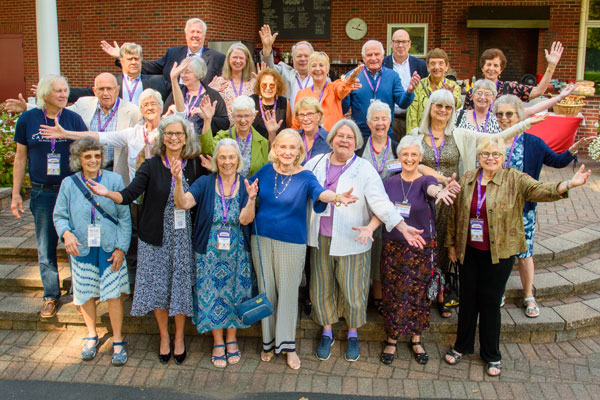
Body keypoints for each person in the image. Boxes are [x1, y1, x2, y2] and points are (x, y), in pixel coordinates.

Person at [445, 136, 591, 376]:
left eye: (495, 154)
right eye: (485, 154)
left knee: (491, 303)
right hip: (468, 251)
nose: (490, 158)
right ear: (478, 157)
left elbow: (540, 190)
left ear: (503, 157)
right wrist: (451, 244)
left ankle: (491, 355)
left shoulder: (515, 178)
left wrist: (568, 184)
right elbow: (455, 213)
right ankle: (461, 347)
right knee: (468, 300)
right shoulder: (469, 178)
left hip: (499, 253)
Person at [86, 114, 207, 365]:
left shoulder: (194, 165)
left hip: (184, 237)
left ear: (186, 138)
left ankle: (180, 337)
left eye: (179, 133)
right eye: (169, 133)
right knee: (160, 287)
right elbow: (130, 194)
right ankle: (164, 336)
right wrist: (108, 193)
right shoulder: (151, 165)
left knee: (181, 287)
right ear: (162, 137)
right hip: (155, 236)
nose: (174, 138)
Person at [305, 119, 427, 363]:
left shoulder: (364, 168)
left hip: (354, 238)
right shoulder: (315, 162)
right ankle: (327, 331)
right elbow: (301, 187)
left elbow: (381, 203)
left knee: (353, 290)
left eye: (350, 137)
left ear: (356, 143)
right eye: (340, 135)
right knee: (322, 286)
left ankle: (352, 334)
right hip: (320, 238)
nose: (344, 140)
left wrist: (401, 226)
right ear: (331, 139)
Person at [247, 129, 358, 370]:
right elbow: (247, 190)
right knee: (267, 292)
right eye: (282, 147)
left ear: (300, 151)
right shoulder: (265, 172)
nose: (287, 152)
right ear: (275, 149)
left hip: (292, 242)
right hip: (261, 239)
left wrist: (337, 197)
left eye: (292, 148)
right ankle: (268, 342)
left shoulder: (306, 176)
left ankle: (287, 346)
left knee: (287, 293)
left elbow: (320, 193)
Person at [493, 94, 595, 317]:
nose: (504, 118)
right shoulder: (492, 140)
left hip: (524, 209)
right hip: (496, 210)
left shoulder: (533, 143)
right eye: (500, 114)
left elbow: (557, 161)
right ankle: (499, 291)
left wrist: (575, 147)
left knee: (524, 252)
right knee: (499, 253)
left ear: (519, 115)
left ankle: (528, 295)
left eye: (509, 114)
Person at [171, 138, 258, 368]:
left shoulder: (246, 184)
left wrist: (250, 200)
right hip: (209, 251)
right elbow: (183, 203)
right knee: (211, 293)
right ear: (216, 160)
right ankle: (217, 340)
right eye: (222, 157)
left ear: (238, 159)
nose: (227, 161)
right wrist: (178, 182)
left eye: (231, 157)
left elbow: (245, 220)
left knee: (236, 293)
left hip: (237, 252)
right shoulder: (205, 182)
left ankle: (232, 338)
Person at [372, 135, 455, 365]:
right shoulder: (388, 183)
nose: (409, 158)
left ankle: (416, 338)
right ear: (398, 158)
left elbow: (432, 189)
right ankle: (392, 338)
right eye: (405, 154)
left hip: (421, 247)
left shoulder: (426, 180)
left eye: (414, 155)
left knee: (419, 294)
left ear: (420, 158)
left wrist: (440, 193)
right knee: (393, 293)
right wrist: (370, 228)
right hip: (393, 247)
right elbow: (381, 212)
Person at [11, 74, 88, 318]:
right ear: (44, 95)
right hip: (42, 193)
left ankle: (80, 291)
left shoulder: (74, 120)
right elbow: (20, 157)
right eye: (58, 91)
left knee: (75, 242)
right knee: (46, 245)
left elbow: (88, 153)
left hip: (72, 192)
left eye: (65, 90)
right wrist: (15, 194)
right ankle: (51, 295)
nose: (64, 95)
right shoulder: (28, 120)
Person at [53, 137, 131, 365]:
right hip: (82, 248)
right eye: (88, 156)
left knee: (114, 296)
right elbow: (59, 216)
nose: (93, 160)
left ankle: (117, 340)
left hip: (110, 247)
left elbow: (125, 218)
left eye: (97, 155)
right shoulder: (69, 183)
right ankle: (91, 336)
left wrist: (121, 248)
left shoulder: (114, 180)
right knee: (85, 293)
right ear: (79, 159)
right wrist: (66, 234)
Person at [5, 73, 142, 184]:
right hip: (87, 172)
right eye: (101, 89)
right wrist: (27, 108)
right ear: (94, 91)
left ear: (117, 90)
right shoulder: (83, 104)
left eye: (109, 88)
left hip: (116, 171)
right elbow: (56, 111)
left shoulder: (133, 111)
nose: (105, 93)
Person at [101, 18, 225, 87]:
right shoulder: (173, 53)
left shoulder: (217, 58)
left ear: (204, 35)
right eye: (192, 32)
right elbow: (150, 68)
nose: (195, 35)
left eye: (198, 32)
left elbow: (225, 83)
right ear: (186, 34)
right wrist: (122, 56)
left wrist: (212, 89)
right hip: (172, 104)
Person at [358, 101, 399, 314]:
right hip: (363, 211)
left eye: (384, 119)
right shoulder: (359, 147)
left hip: (388, 211)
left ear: (390, 121)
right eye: (376, 119)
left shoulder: (397, 148)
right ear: (368, 122)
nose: (380, 123)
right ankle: (363, 294)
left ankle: (380, 295)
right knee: (365, 252)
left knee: (383, 254)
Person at [344, 40, 420, 139]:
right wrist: (345, 90)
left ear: (383, 55)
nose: (373, 58)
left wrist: (409, 91)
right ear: (363, 58)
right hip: (360, 135)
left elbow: (403, 103)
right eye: (369, 55)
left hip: (386, 134)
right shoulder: (352, 76)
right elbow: (344, 108)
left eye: (377, 54)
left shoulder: (392, 76)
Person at [462, 43, 563, 109]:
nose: (491, 68)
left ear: (501, 70)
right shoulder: (472, 92)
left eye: (496, 65)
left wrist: (551, 65)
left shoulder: (510, 89)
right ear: (482, 68)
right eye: (488, 64)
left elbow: (539, 91)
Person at [68, 43, 169, 104]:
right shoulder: (113, 83)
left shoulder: (158, 81)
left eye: (136, 59)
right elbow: (86, 93)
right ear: (121, 61)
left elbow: (179, 92)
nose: (134, 62)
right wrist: (59, 93)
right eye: (129, 59)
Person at [198, 95, 269, 177]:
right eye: (238, 116)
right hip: (226, 187)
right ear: (232, 116)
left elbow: (265, 172)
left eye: (246, 116)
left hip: (251, 188)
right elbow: (206, 150)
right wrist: (207, 119)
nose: (243, 120)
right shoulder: (223, 136)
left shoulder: (263, 142)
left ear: (254, 116)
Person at [293, 52, 362, 131]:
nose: (317, 69)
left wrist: (349, 81)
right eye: (313, 65)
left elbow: (342, 88)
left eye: (321, 65)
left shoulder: (334, 88)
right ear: (309, 69)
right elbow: (296, 122)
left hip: (332, 139)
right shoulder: (302, 94)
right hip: (308, 139)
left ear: (327, 69)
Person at [382, 29, 428, 141]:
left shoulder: (420, 65)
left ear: (409, 44)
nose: (400, 45)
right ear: (391, 44)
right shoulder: (383, 64)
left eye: (404, 42)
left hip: (414, 118)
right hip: (392, 119)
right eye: (397, 42)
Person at [166, 56, 229, 134]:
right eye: (181, 72)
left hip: (202, 143)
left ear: (198, 73)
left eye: (187, 72)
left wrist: (207, 117)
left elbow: (225, 123)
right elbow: (164, 117)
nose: (182, 75)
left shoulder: (212, 95)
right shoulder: (177, 93)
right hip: (179, 142)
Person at [406, 48, 461, 133]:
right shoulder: (418, 86)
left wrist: (450, 97)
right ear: (428, 67)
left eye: (441, 63)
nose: (436, 67)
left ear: (446, 67)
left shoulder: (453, 86)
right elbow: (412, 115)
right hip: (421, 134)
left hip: (444, 135)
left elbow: (456, 105)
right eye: (433, 63)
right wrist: (412, 137)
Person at [259, 24, 315, 106]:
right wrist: (267, 47)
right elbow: (268, 70)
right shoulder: (284, 72)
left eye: (306, 56)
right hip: (288, 118)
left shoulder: (322, 79)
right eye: (299, 56)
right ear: (293, 58)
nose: (303, 59)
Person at [209, 43, 257, 125]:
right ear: (228, 59)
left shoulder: (254, 83)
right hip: (225, 131)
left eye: (241, 58)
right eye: (234, 57)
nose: (238, 61)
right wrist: (209, 90)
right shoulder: (219, 82)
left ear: (246, 60)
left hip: (248, 130)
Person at [251, 68, 291, 139]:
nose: (268, 88)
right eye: (264, 85)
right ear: (259, 86)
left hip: (278, 146)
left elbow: (289, 128)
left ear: (277, 87)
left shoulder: (284, 103)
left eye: (272, 85)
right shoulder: (251, 101)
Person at [294, 97, 331, 164]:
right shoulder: (293, 137)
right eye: (301, 115)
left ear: (319, 116)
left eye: (310, 114)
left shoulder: (330, 139)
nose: (305, 119)